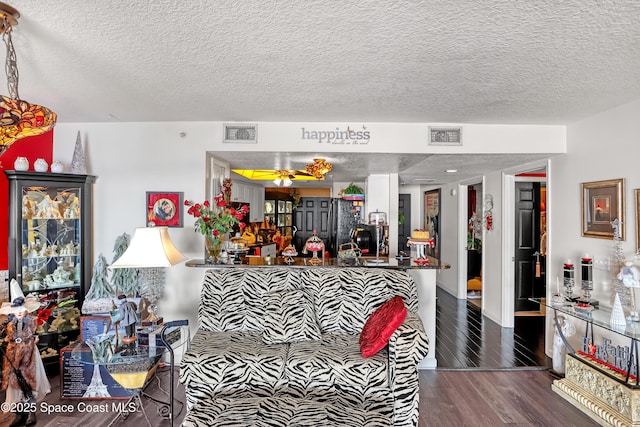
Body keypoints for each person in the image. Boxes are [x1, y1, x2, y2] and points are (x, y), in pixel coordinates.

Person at [1, 281, 51, 427]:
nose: (20, 313)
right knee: (14, 381)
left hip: (28, 353)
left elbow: (38, 332)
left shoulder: (31, 321)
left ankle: (30, 412)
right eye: (17, 311)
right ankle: (18, 414)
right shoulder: (9, 323)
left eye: (22, 310)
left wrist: (34, 338)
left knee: (28, 380)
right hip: (13, 353)